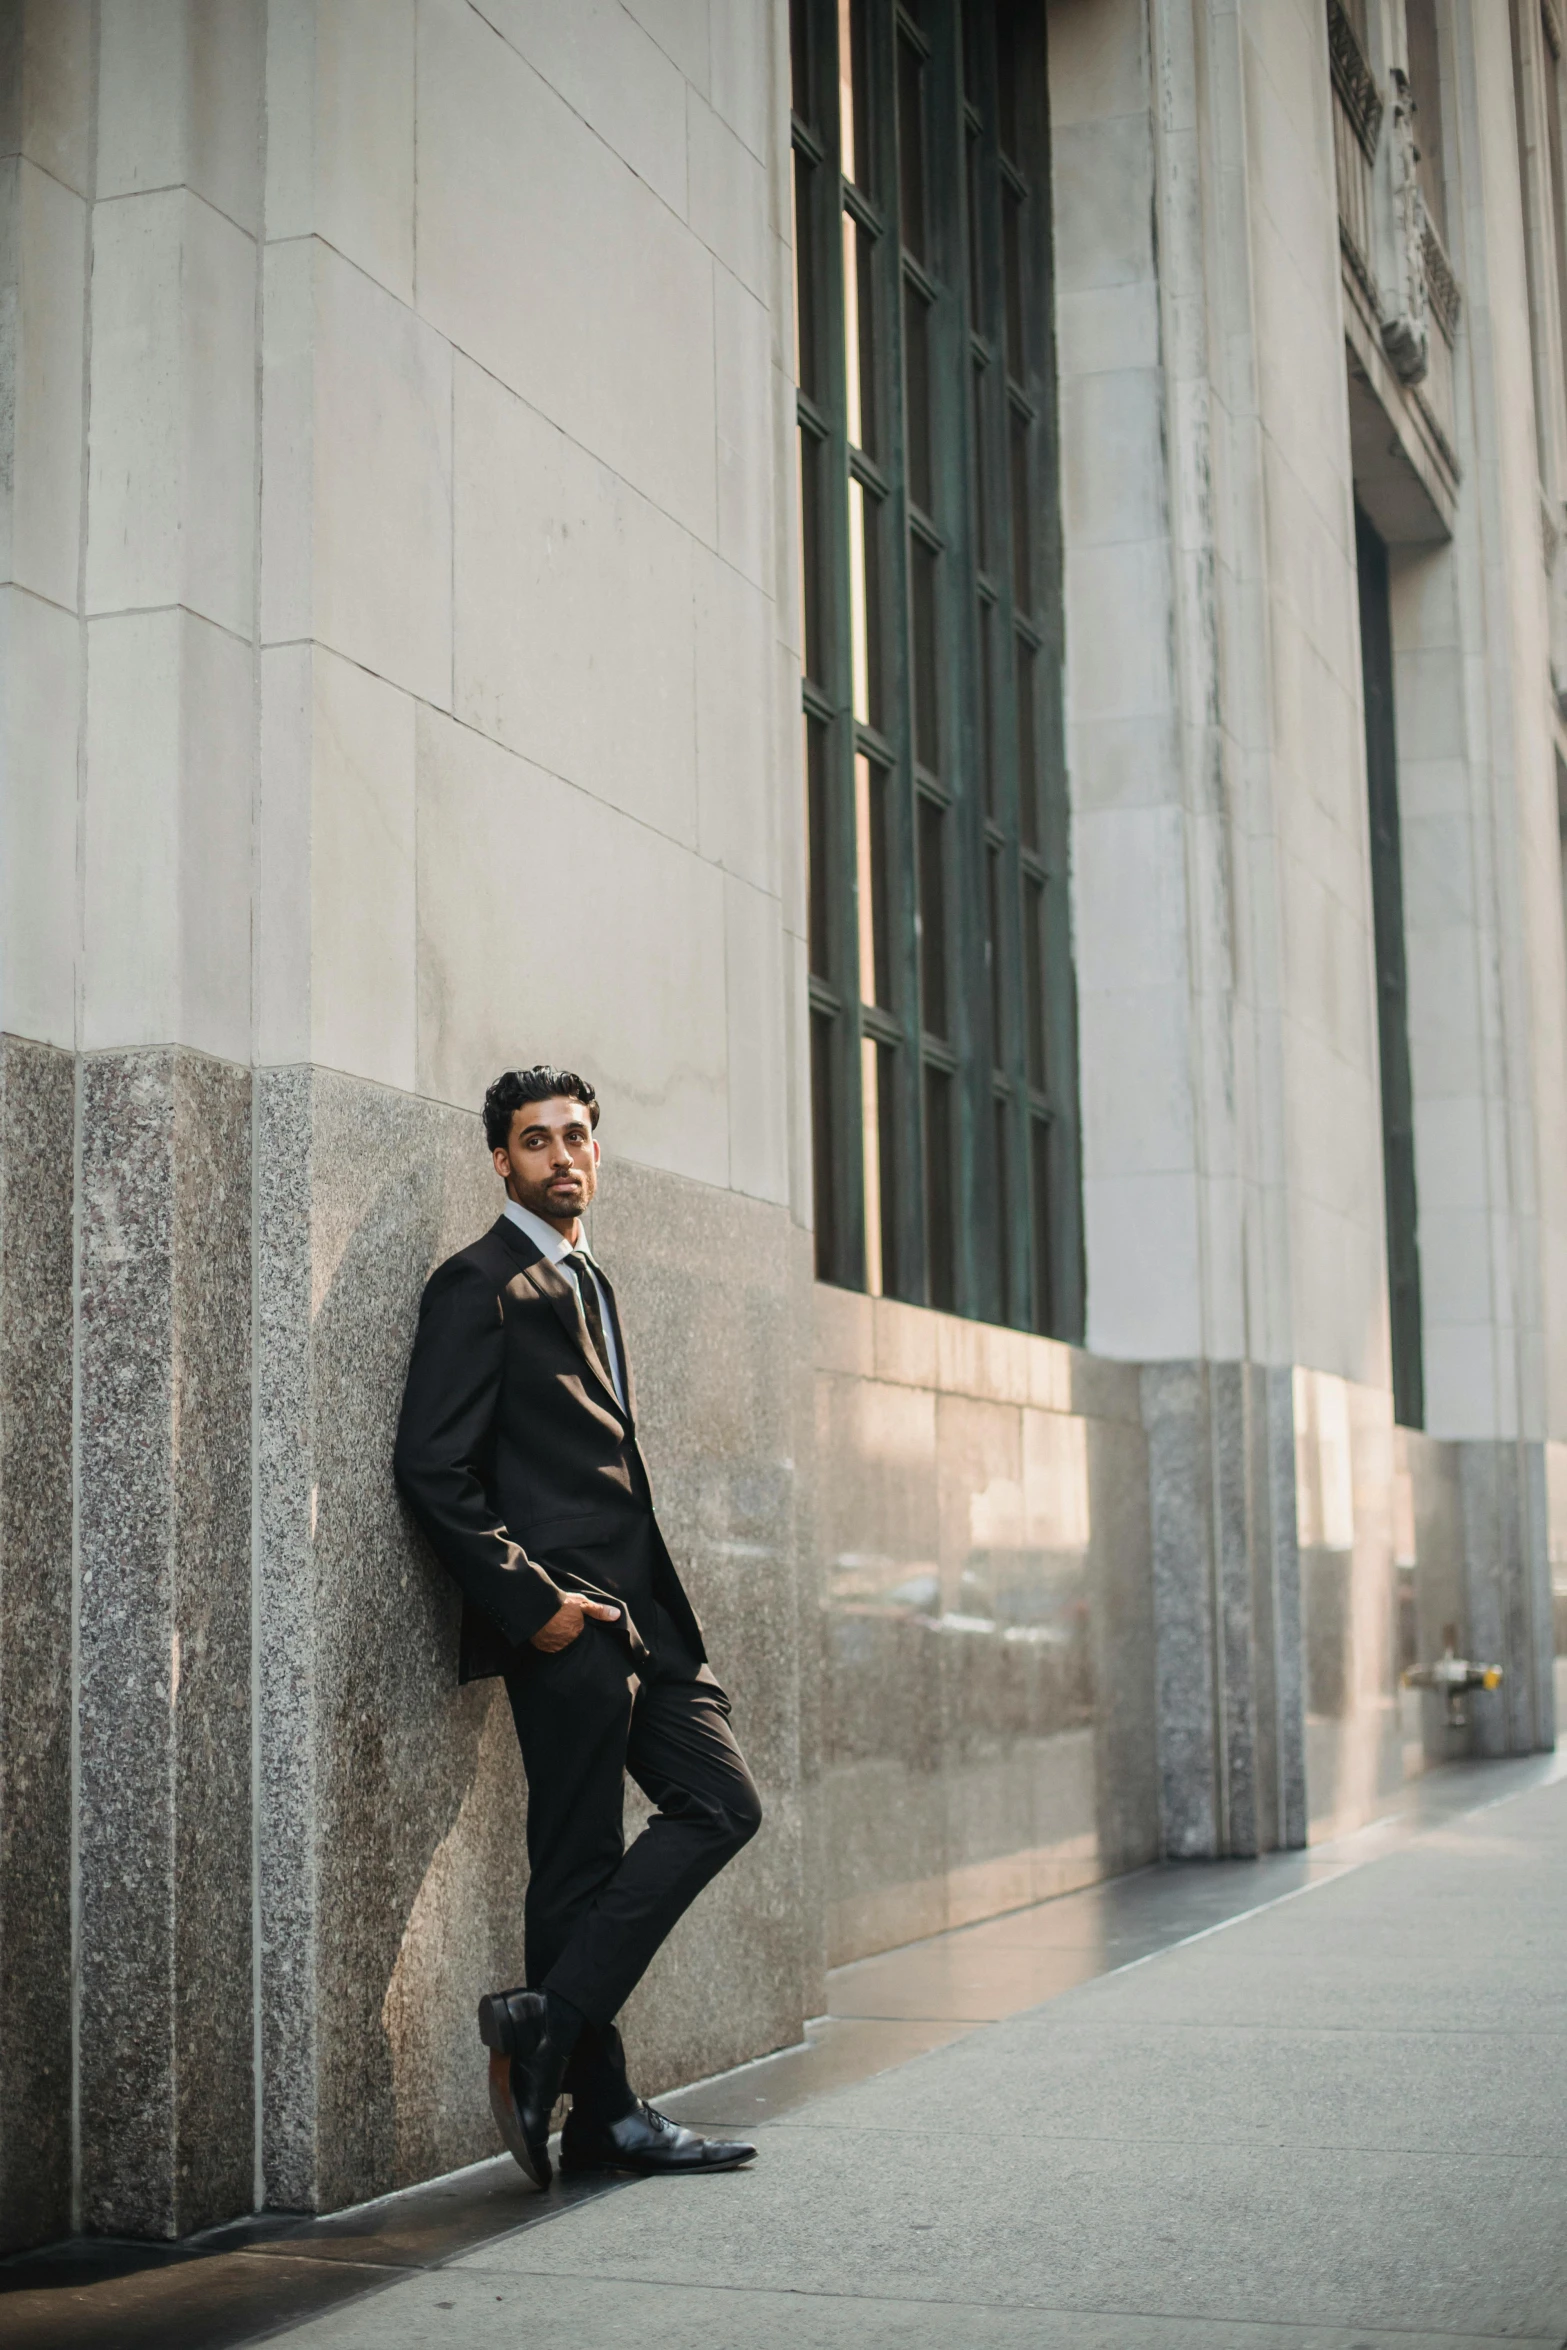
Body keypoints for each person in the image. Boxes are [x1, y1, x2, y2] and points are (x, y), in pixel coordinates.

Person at [394, 1065, 761, 2186]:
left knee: (721, 1803)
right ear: (500, 1160)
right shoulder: (478, 1285)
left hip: (650, 1616)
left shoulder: (588, 1276)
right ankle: (604, 2116)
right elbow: (431, 1467)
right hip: (569, 1621)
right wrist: (536, 1605)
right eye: (536, 1140)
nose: (562, 1155)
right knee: (577, 1856)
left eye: (576, 1137)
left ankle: (543, 2018)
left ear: (596, 1151)